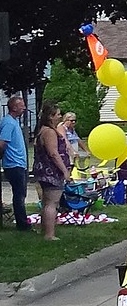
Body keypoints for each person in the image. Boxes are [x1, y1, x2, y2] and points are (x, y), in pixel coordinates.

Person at [33, 100, 72, 240]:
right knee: (52, 203)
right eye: (58, 114)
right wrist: (65, 171)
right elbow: (53, 153)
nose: (60, 117)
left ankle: (45, 230)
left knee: (46, 202)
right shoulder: (49, 132)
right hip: (51, 172)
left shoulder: (43, 130)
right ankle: (49, 234)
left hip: (43, 170)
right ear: (50, 116)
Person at [0, 95, 31, 231]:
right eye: (21, 105)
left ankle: (22, 221)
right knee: (19, 195)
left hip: (19, 163)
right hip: (14, 165)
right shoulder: (8, 123)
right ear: (14, 107)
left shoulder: (14, 121)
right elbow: (2, 143)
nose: (24, 108)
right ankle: (22, 224)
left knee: (21, 194)